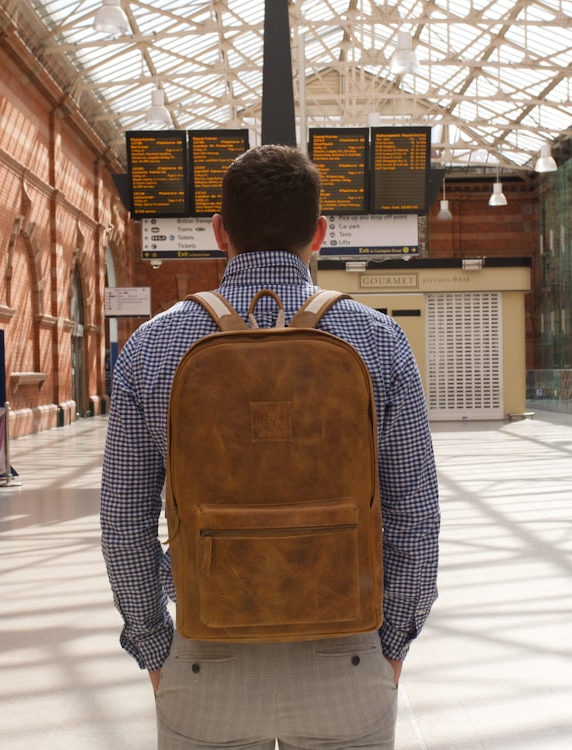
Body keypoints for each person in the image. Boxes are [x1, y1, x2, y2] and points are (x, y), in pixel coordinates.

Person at [100, 144, 440, 749]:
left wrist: (157, 651)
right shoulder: (382, 341)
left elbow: (124, 525)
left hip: (207, 656)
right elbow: (415, 518)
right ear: (320, 233)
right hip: (347, 657)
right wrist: (391, 648)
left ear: (218, 232)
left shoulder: (150, 348)